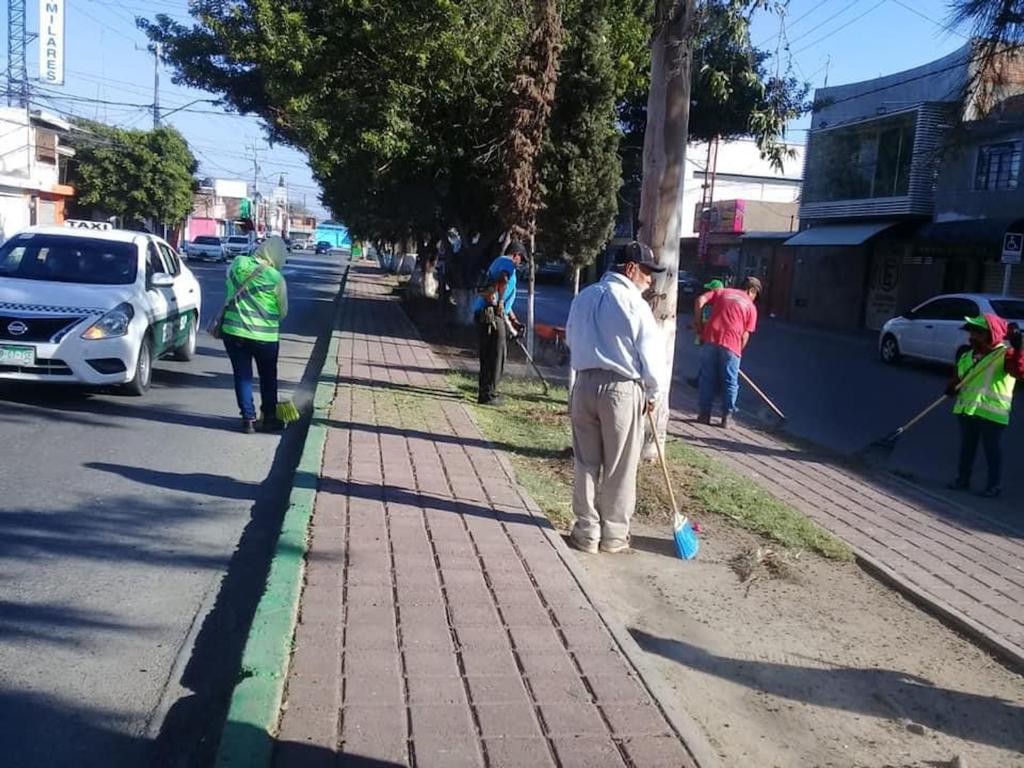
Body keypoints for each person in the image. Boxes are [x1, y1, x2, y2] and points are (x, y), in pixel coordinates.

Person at [565, 242, 666, 554]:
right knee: (620, 466)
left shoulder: (584, 296)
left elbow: (570, 337)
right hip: (621, 389)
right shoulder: (634, 303)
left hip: (583, 385)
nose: (650, 280)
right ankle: (614, 536)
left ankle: (586, 533)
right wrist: (653, 392)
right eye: (647, 272)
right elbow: (651, 355)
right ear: (630, 268)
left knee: (585, 462)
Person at [946, 314, 1024, 498]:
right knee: (967, 447)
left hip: (992, 413)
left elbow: (1020, 372)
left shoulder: (1005, 355)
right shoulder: (967, 355)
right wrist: (952, 387)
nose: (972, 336)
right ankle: (962, 479)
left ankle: (993, 486)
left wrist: (1019, 348)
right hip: (967, 410)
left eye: (977, 333)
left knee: (991, 450)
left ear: (991, 334)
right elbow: (959, 377)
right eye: (971, 332)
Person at [221, 235, 289, 434]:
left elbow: (228, 282)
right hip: (265, 337)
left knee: (242, 375)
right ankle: (269, 418)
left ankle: (248, 419)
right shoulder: (275, 277)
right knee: (268, 377)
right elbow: (283, 311)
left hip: (234, 332)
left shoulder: (238, 263)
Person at [693, 275, 761, 428]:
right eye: (756, 295)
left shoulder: (722, 292)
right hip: (731, 344)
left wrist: (698, 325)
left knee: (707, 378)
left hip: (710, 338)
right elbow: (745, 335)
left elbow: (700, 301)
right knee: (730, 381)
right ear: (752, 291)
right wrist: (738, 352)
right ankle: (727, 417)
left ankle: (704, 414)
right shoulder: (750, 306)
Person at [472, 240, 526, 405]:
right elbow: (502, 281)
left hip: (485, 313)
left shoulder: (498, 261)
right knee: (497, 355)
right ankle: (489, 395)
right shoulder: (508, 263)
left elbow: (504, 299)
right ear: (516, 255)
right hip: (491, 315)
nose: (521, 264)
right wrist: (501, 303)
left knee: (488, 355)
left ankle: (485, 393)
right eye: (521, 259)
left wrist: (514, 321)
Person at [686, 278, 724, 389]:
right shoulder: (722, 306)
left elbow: (705, 321)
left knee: (708, 361)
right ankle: (707, 382)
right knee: (713, 362)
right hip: (718, 338)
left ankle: (703, 382)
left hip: (708, 337)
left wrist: (697, 328)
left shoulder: (709, 306)